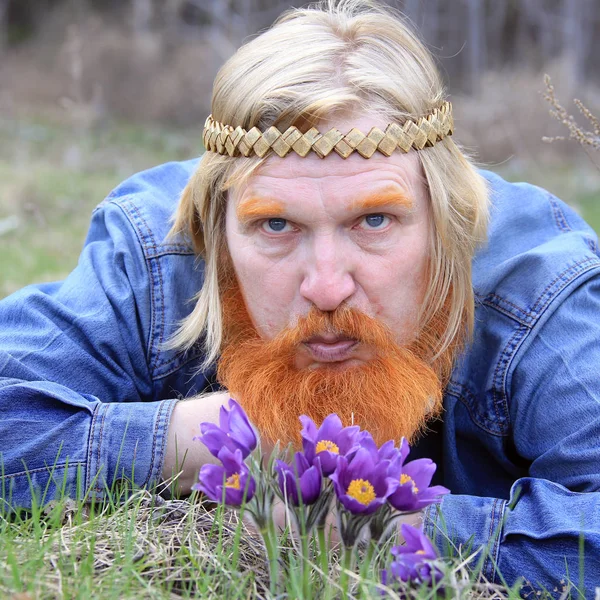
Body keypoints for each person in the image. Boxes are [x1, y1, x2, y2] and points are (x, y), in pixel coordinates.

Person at [1, 0, 599, 594]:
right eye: (276, 227)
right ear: (215, 231)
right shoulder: (159, 254)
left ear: (446, 219)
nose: (328, 286)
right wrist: (204, 440)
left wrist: (396, 526)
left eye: (374, 220)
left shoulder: (539, 290)